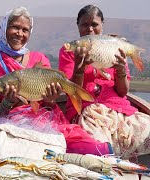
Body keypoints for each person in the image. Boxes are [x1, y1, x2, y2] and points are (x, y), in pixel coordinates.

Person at [0, 6, 112, 155]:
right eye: (15, 27)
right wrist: (8, 102)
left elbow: (49, 105)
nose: (19, 34)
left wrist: (50, 100)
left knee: (93, 149)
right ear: (3, 28)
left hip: (44, 120)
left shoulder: (39, 59)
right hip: (10, 123)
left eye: (25, 30)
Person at [58, 4, 150, 160]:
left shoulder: (112, 46)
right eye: (84, 25)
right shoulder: (70, 50)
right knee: (97, 146)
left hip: (119, 110)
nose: (90, 29)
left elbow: (123, 92)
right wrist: (80, 68)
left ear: (102, 25)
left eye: (94, 24)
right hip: (86, 112)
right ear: (78, 26)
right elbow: (71, 90)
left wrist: (121, 69)